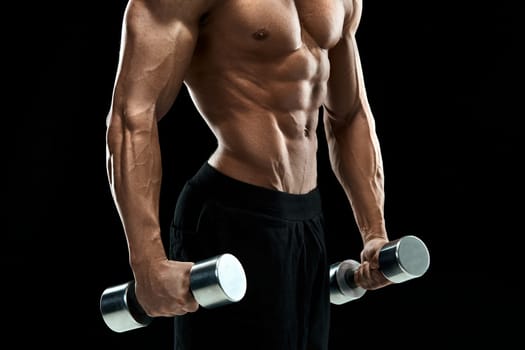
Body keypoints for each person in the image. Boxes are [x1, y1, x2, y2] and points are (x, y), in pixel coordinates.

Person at [105, 0, 393, 349]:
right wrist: (148, 262)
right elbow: (132, 117)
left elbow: (350, 115)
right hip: (230, 218)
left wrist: (374, 234)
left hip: (307, 221)